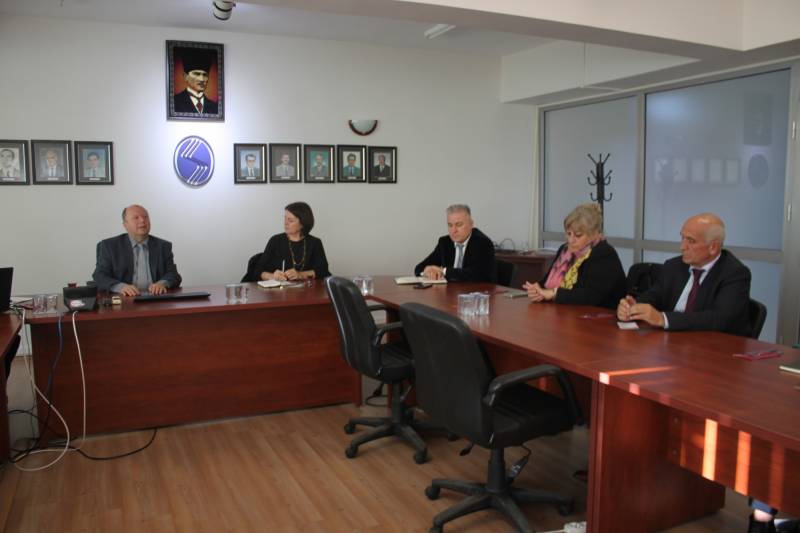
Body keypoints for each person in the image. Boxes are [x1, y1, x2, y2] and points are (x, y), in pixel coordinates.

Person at [616, 212, 751, 335]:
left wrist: (663, 319)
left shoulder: (735, 274)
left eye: (691, 241)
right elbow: (655, 295)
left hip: (712, 347)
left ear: (713, 247)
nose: (682, 247)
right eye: (682, 238)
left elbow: (719, 319)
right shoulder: (673, 266)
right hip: (671, 342)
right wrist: (632, 307)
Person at [525, 203, 625, 309]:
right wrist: (537, 289)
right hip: (566, 312)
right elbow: (546, 282)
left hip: (601, 316)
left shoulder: (604, 254)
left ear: (593, 234)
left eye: (578, 235)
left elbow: (589, 296)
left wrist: (553, 293)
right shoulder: (565, 250)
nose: (571, 240)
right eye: (569, 234)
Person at [92, 205, 182, 296]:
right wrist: (120, 287)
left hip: (156, 298)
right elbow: (99, 276)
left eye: (145, 217)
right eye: (136, 217)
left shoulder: (163, 246)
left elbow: (174, 275)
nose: (142, 220)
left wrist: (162, 283)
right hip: (124, 299)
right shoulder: (109, 246)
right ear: (125, 225)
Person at [414, 204, 496, 282]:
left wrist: (444, 271)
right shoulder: (444, 242)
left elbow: (476, 274)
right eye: (450, 225)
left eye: (459, 225)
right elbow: (418, 268)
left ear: (471, 224)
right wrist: (427, 270)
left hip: (478, 291)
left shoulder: (483, 243)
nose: (454, 230)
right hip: (450, 291)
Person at [256, 202, 330, 281]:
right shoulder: (275, 240)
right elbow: (258, 270)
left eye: (290, 220)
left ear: (302, 224)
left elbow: (323, 271)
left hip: (306, 288)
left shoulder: (315, 243)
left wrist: (300, 275)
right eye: (285, 218)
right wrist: (272, 276)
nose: (285, 223)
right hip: (279, 288)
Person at [173, 49, 218, 114]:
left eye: (205, 75)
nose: (202, 79)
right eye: (196, 74)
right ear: (185, 77)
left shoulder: (214, 106)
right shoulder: (175, 102)